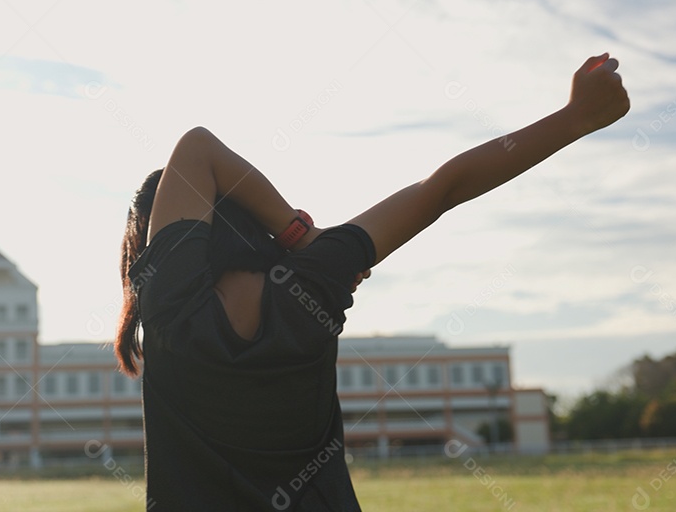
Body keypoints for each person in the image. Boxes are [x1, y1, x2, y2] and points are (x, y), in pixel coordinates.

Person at [116, 54, 629, 511]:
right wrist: (576, 117)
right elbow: (443, 188)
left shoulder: (170, 302)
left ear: (154, 243)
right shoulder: (313, 278)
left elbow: (195, 151)